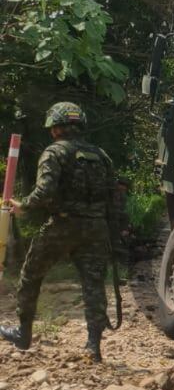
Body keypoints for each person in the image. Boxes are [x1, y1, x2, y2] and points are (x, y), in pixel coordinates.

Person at [0, 103, 118, 362]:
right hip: (96, 228)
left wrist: (24, 206)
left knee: (31, 275)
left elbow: (45, 192)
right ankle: (93, 348)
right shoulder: (101, 155)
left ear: (55, 128)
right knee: (94, 286)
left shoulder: (54, 153)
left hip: (63, 225)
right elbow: (114, 196)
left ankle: (23, 333)